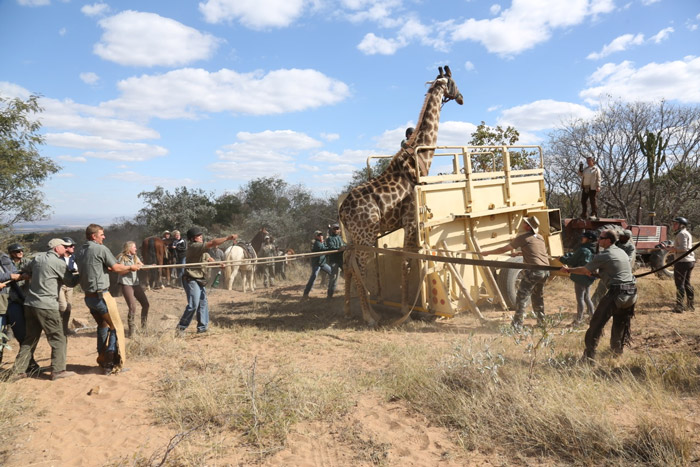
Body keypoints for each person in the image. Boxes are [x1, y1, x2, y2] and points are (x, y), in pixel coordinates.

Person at [75, 223, 140, 375]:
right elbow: (117, 268)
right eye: (102, 234)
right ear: (94, 236)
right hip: (101, 296)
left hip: (89, 298)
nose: (104, 237)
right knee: (115, 327)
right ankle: (110, 364)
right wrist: (131, 267)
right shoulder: (100, 249)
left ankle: (102, 360)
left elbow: (99, 267)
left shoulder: (80, 251)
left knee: (102, 326)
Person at [562, 229, 637, 361]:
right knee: (620, 324)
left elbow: (584, 269)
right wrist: (597, 273)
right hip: (631, 293)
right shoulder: (621, 252)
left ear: (608, 240)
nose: (599, 240)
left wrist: (568, 270)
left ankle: (589, 357)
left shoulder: (605, 254)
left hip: (617, 293)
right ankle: (616, 353)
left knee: (596, 323)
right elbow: (615, 271)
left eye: (601, 237)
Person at [12, 238, 79, 380]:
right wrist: (81, 274)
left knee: (30, 338)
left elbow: (25, 270)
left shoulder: (37, 258)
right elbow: (71, 282)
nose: (66, 248)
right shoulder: (58, 262)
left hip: (30, 304)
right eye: (64, 246)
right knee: (58, 337)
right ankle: (59, 370)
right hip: (46, 305)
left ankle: (18, 370)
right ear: (56, 248)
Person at [481, 216, 550, 329]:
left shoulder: (523, 238)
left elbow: (504, 249)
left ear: (528, 226)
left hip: (534, 271)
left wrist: (487, 252)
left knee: (521, 298)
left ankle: (517, 326)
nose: (523, 223)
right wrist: (520, 254)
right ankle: (541, 322)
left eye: (525, 223)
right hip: (545, 271)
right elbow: (537, 253)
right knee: (537, 297)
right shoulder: (540, 238)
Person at [177, 228, 238, 334]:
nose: (201, 237)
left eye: (201, 235)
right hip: (191, 278)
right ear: (193, 239)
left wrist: (218, 264)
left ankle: (202, 327)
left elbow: (209, 259)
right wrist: (228, 238)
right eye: (199, 236)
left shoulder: (202, 250)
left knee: (203, 302)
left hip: (200, 278)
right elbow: (213, 243)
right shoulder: (194, 246)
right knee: (193, 305)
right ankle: (180, 328)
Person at [559, 230, 597, 325]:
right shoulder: (592, 249)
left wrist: (561, 259)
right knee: (587, 298)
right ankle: (592, 318)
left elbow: (571, 261)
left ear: (588, 239)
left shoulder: (583, 250)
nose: (582, 238)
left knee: (580, 299)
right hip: (589, 277)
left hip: (580, 277)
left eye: (584, 237)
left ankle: (578, 321)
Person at [116, 241, 149, 337]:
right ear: (129, 248)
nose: (136, 249)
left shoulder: (135, 257)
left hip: (135, 284)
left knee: (146, 304)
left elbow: (142, 266)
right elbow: (120, 272)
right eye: (134, 247)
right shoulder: (122, 258)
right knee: (132, 307)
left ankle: (144, 327)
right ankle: (132, 332)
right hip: (126, 284)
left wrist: (150, 266)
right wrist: (131, 268)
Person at [665, 217, 695, 313]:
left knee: (680, 285)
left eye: (676, 224)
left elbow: (684, 248)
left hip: (682, 262)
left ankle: (679, 307)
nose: (674, 225)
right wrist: (673, 247)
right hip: (689, 261)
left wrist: (673, 249)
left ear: (682, 225)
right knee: (687, 283)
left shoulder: (681, 234)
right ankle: (690, 305)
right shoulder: (685, 233)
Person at [58, 237, 78, 336]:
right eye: (71, 246)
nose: (73, 247)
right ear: (65, 247)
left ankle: (64, 328)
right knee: (62, 307)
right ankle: (58, 329)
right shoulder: (58, 258)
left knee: (68, 308)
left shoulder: (74, 257)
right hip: (60, 285)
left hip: (69, 285)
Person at [302, 230, 332, 298]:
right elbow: (324, 249)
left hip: (322, 263)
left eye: (321, 235)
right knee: (314, 276)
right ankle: (306, 293)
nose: (321, 236)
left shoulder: (322, 242)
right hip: (317, 264)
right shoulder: (317, 243)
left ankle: (331, 290)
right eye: (319, 235)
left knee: (332, 273)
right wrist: (329, 246)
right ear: (316, 236)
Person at [325, 223, 346, 298]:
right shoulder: (330, 239)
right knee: (334, 277)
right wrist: (339, 248)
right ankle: (330, 294)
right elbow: (331, 247)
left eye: (337, 228)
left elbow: (344, 245)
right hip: (334, 260)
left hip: (341, 260)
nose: (336, 230)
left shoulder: (340, 238)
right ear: (332, 230)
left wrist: (345, 247)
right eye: (335, 229)